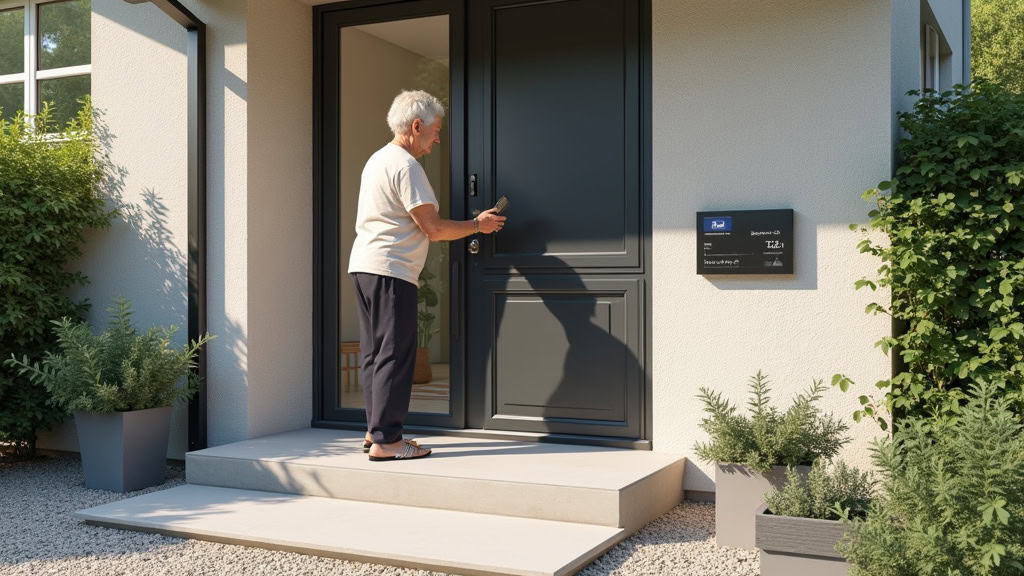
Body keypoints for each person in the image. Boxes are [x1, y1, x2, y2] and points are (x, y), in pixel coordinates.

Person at [349, 90, 505, 461]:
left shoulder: (377, 160)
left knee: (374, 355)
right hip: (391, 270)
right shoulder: (405, 166)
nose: (437, 139)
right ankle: (388, 442)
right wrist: (477, 225)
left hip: (365, 267)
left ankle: (376, 432)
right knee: (394, 356)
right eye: (435, 131)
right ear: (416, 126)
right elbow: (432, 228)